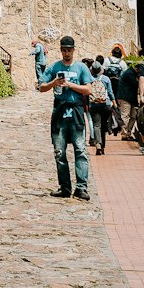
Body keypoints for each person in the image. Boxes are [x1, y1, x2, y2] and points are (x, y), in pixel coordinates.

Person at [39, 34, 93, 200]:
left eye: (69, 50)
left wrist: (70, 85)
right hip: (60, 111)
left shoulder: (81, 68)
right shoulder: (55, 67)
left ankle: (81, 187)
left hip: (76, 111)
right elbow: (41, 87)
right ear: (61, 50)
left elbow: (88, 89)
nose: (66, 53)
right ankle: (65, 186)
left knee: (80, 149)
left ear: (73, 50)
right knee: (59, 151)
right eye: (64, 50)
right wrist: (53, 83)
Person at [87, 62, 115, 155]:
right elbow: (110, 92)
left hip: (93, 104)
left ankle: (98, 143)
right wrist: (114, 103)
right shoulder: (106, 79)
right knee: (103, 125)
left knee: (96, 125)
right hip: (105, 104)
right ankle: (102, 146)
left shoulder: (89, 79)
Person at [116, 61, 140, 141]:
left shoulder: (131, 73)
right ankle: (125, 134)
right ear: (137, 69)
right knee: (125, 115)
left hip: (131, 98)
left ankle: (128, 133)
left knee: (133, 116)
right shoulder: (130, 74)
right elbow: (137, 84)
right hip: (125, 98)